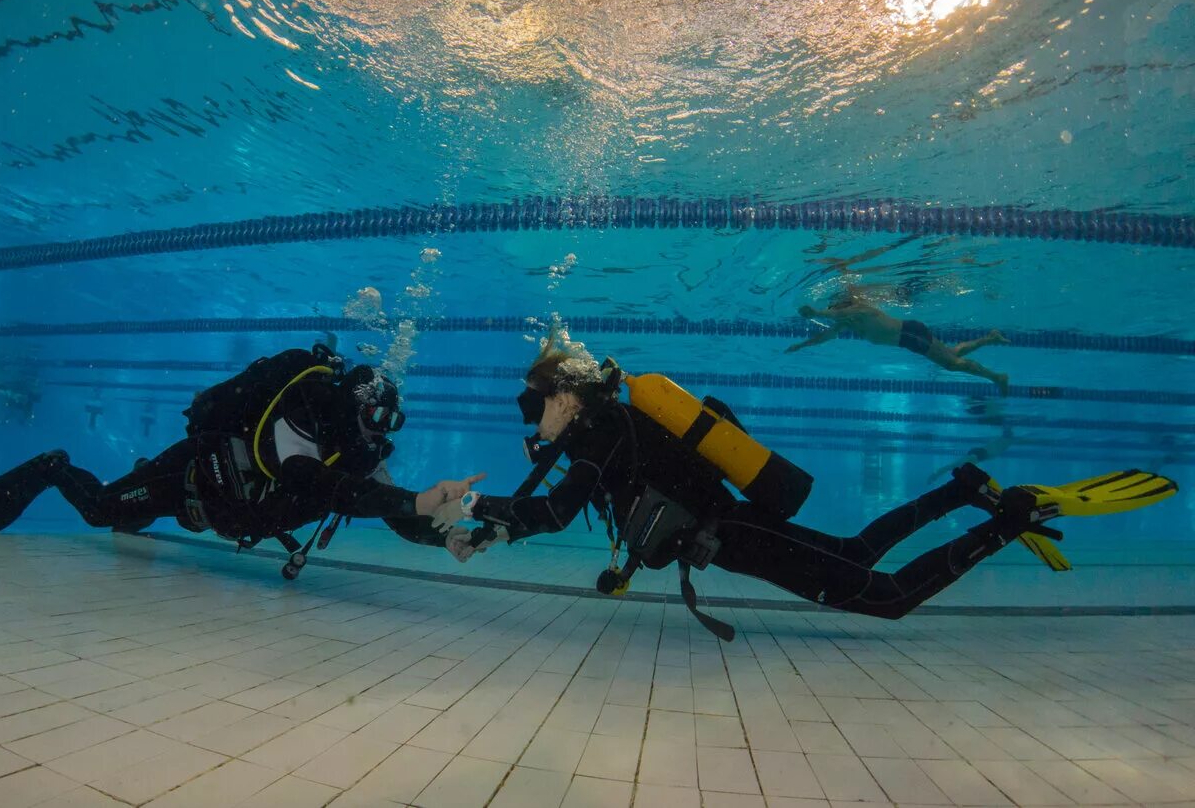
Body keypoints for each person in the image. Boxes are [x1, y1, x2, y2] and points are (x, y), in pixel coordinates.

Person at [429, 334, 1176, 638]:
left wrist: (467, 503)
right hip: (735, 527)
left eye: (536, 407)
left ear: (563, 395)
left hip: (733, 534)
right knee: (855, 548)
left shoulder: (598, 431)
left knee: (886, 600)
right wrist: (491, 531)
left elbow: (555, 512)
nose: (535, 427)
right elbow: (561, 506)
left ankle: (1008, 517)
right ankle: (963, 489)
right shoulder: (612, 428)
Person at [0, 343, 485, 565]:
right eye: (372, 423)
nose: (375, 438)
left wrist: (446, 532)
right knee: (101, 512)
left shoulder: (358, 452)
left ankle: (139, 490)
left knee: (130, 518)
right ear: (351, 409)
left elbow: (390, 508)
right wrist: (417, 499)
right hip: (189, 478)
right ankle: (53, 466)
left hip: (214, 510)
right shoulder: (299, 417)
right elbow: (314, 483)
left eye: (385, 428)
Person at [785, 288, 1010, 394]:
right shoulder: (848, 322)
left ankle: (997, 377)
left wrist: (816, 312)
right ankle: (990, 338)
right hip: (909, 336)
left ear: (843, 305)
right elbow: (825, 336)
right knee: (952, 355)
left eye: (834, 306)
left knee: (951, 364)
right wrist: (801, 345)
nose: (833, 309)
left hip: (909, 334)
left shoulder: (860, 310)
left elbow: (831, 315)